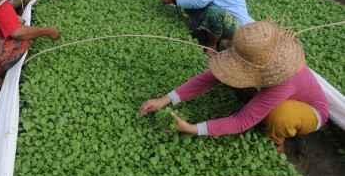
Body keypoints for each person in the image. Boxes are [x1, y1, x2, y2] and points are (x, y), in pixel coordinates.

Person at [140, 21, 328, 153]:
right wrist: (164, 99)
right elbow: (208, 78)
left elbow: (241, 121)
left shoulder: (284, 80)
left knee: (281, 116)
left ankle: (276, 143)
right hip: (273, 93)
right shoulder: (253, 52)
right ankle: (261, 108)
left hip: (310, 112)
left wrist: (191, 128)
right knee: (231, 79)